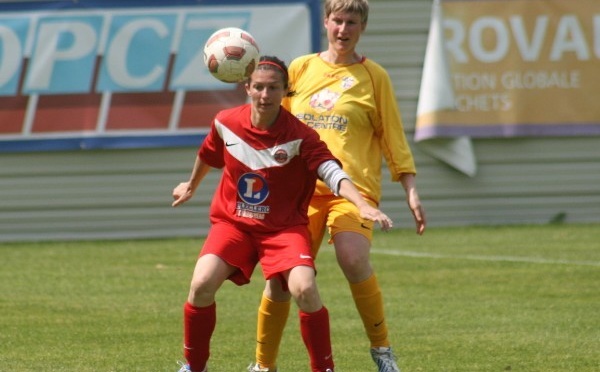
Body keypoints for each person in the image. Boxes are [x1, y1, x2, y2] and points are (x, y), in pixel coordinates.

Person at [172, 55, 394, 372]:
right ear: (246, 87)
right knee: (201, 284)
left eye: (273, 88)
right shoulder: (226, 122)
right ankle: (194, 366)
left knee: (304, 288)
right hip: (234, 225)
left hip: (283, 230)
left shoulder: (301, 136)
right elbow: (208, 152)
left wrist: (360, 203)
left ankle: (324, 368)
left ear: (285, 91)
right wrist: (191, 185)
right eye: (259, 87)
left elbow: (331, 172)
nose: (265, 95)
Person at [249, 1, 426, 372]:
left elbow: (392, 137)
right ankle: (263, 365)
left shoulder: (375, 77)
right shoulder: (300, 69)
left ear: (362, 27)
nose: (343, 29)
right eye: (337, 21)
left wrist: (410, 188)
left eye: (352, 22)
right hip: (298, 195)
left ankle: (382, 352)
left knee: (353, 257)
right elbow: (270, 117)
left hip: (353, 193)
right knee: (282, 281)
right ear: (326, 22)